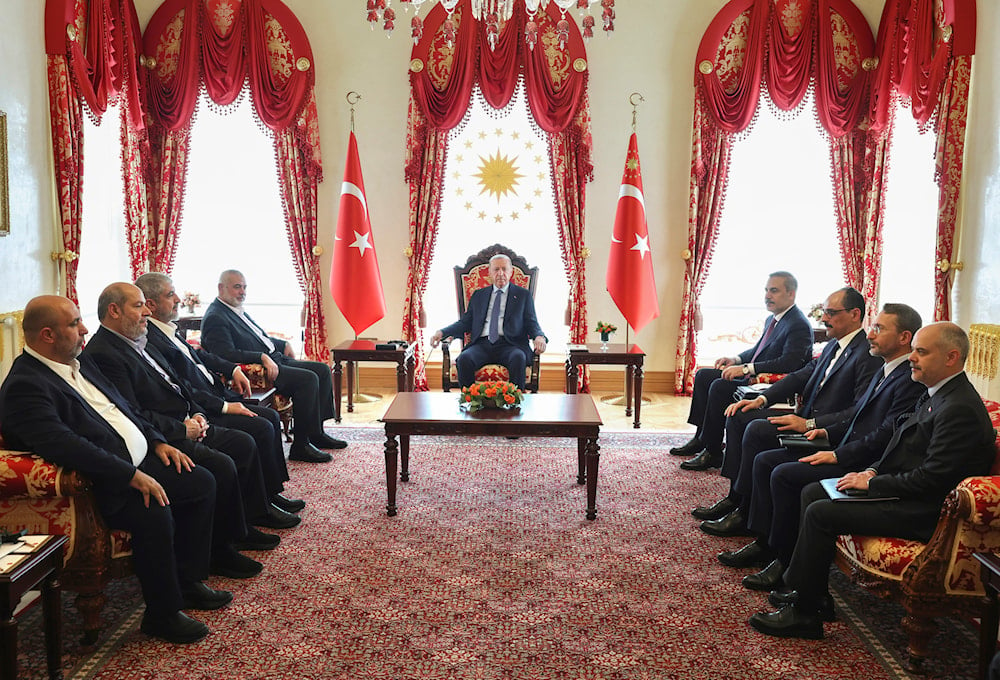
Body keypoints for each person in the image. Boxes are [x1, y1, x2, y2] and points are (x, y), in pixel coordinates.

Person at [0, 296, 231, 644]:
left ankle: (187, 581)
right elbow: (65, 444)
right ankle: (162, 614)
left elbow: (125, 408)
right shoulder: (25, 385)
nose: (84, 330)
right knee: (155, 509)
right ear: (47, 334)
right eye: (75, 324)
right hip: (101, 481)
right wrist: (129, 475)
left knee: (200, 481)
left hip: (137, 458)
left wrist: (156, 442)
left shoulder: (79, 361)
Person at [748, 322, 995, 640]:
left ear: (951, 357)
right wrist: (873, 471)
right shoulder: (938, 392)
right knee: (812, 491)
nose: (912, 359)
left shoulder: (958, 408)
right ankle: (814, 595)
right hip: (906, 493)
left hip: (926, 513)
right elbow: (899, 446)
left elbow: (932, 480)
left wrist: (873, 485)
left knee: (821, 513)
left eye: (921, 352)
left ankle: (804, 615)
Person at [82, 283, 290, 574]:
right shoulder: (104, 353)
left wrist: (198, 413)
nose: (146, 313)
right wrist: (182, 428)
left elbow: (176, 384)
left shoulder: (137, 339)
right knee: (226, 459)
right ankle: (223, 547)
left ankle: (242, 528)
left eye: (145, 305)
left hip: (187, 420)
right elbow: (133, 412)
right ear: (114, 311)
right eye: (139, 306)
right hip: (166, 433)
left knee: (242, 443)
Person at [718, 304, 926, 592]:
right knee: (766, 460)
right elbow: (857, 415)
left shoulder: (904, 378)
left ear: (904, 337)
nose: (871, 334)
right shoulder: (887, 368)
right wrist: (823, 430)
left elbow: (883, 434)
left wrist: (834, 449)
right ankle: (764, 541)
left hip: (863, 461)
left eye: (879, 328)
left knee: (784, 474)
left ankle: (784, 561)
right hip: (841, 441)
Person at [693, 287, 881, 534]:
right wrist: (761, 399)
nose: (823, 318)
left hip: (822, 430)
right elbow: (802, 375)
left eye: (831, 313)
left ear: (855, 314)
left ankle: (745, 512)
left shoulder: (866, 354)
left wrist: (812, 425)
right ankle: (736, 498)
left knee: (757, 430)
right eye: (824, 312)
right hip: (804, 418)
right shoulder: (834, 346)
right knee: (741, 414)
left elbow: (858, 411)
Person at [135, 272, 304, 515]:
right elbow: (182, 386)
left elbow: (200, 356)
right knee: (261, 426)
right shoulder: (150, 338)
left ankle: (270, 493)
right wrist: (222, 406)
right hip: (205, 406)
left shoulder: (167, 329)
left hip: (216, 393)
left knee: (269, 418)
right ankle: (259, 508)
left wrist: (232, 368)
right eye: (171, 295)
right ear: (151, 304)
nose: (178, 300)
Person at [674, 271, 813, 471]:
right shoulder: (773, 320)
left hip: (769, 384)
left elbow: (789, 363)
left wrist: (747, 368)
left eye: (774, 291)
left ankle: (713, 451)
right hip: (754, 376)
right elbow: (758, 350)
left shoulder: (798, 324)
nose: (767, 296)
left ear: (791, 294)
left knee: (720, 386)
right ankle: (700, 437)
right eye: (766, 290)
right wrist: (736, 359)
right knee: (704, 375)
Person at [200, 270, 344, 462]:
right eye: (237, 287)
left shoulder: (235, 309)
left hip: (274, 359)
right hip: (258, 369)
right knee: (308, 380)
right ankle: (300, 446)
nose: (242, 292)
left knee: (323, 370)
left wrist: (282, 344)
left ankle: (316, 432)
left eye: (244, 287)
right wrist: (261, 357)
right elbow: (223, 353)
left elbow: (259, 338)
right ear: (221, 288)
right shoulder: (216, 316)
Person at [430, 253, 547, 391]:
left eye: (504, 269)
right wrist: (442, 332)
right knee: (464, 359)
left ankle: (515, 403)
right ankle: (470, 402)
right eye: (496, 269)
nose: (500, 273)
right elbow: (465, 323)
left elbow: (531, 322)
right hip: (482, 344)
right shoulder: (479, 295)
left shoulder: (522, 295)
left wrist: (539, 336)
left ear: (511, 272)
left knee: (518, 358)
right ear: (490, 273)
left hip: (510, 345)